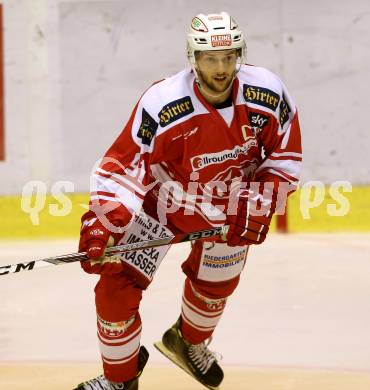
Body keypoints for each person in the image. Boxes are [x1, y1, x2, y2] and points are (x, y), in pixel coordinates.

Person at [75, 11, 302, 390]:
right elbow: (123, 166)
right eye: (210, 58)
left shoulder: (268, 93)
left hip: (228, 208)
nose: (220, 68)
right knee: (115, 289)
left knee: (216, 287)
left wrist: (259, 200)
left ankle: (187, 342)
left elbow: (284, 157)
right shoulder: (164, 102)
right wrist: (105, 222)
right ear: (193, 59)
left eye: (228, 57)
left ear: (239, 56)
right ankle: (120, 379)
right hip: (160, 207)